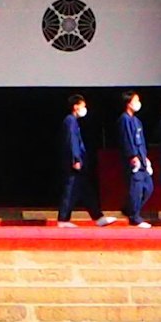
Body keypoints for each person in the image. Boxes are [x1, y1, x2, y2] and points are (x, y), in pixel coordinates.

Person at [57, 95, 98, 225]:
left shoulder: (73, 121)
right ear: (76, 106)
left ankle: (98, 216)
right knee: (71, 190)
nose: (84, 109)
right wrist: (76, 159)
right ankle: (63, 219)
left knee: (85, 190)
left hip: (78, 161)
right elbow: (72, 141)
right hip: (73, 163)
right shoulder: (70, 121)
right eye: (83, 106)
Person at [119, 94, 157, 226]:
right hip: (134, 159)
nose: (138, 103)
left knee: (149, 187)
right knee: (136, 188)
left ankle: (130, 209)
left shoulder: (136, 121)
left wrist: (145, 157)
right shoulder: (124, 120)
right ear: (128, 103)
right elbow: (127, 140)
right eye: (136, 100)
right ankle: (134, 216)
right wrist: (132, 156)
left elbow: (141, 141)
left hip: (142, 158)